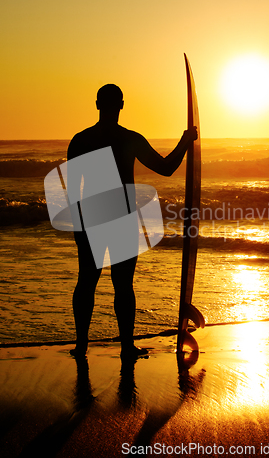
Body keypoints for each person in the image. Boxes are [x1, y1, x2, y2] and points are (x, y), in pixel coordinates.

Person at [67, 84, 197, 359]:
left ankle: (81, 346)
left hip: (90, 219)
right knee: (123, 285)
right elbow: (166, 168)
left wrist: (77, 227)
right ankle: (127, 347)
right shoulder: (130, 139)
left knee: (86, 282)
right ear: (122, 105)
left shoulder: (80, 140)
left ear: (97, 104)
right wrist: (184, 143)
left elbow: (72, 191)